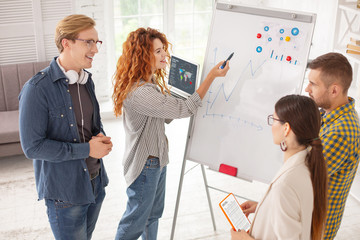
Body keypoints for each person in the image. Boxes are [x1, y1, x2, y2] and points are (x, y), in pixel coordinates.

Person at [112, 27, 229, 240]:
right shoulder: (140, 92)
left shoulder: (150, 84)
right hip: (145, 163)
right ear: (142, 55)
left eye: (163, 49)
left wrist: (176, 96)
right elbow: (183, 110)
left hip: (157, 160)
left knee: (153, 216)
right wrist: (211, 76)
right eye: (157, 51)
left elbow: (166, 116)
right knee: (134, 221)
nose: (164, 55)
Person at [19, 14, 113, 239]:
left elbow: (92, 124)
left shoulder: (85, 80)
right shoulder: (37, 89)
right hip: (65, 194)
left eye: (96, 42)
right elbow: (32, 147)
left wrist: (100, 136)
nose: (95, 49)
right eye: (88, 42)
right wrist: (87, 150)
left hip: (95, 183)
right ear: (66, 43)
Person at [230, 95, 328, 240]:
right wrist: (263, 207)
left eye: (274, 119)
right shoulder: (307, 165)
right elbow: (296, 211)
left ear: (286, 128)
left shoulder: (285, 185)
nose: (271, 125)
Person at [305, 52, 360, 239]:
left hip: (311, 226)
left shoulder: (341, 132)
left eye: (313, 84)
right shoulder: (329, 117)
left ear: (334, 90)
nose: (307, 88)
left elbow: (302, 178)